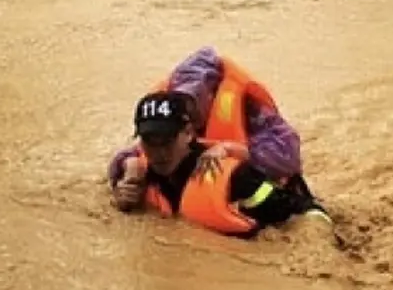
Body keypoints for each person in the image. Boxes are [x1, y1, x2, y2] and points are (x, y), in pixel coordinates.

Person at [110, 92, 321, 237]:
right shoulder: (136, 175)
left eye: (167, 140)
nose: (159, 152)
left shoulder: (233, 177)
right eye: (150, 141)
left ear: (188, 133)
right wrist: (123, 201)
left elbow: (307, 213)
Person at [108, 47, 304, 187]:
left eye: (193, 98)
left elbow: (289, 156)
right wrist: (128, 165)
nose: (187, 108)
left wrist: (229, 149)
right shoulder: (170, 116)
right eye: (181, 96)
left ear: (213, 93)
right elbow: (136, 150)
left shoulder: (248, 109)